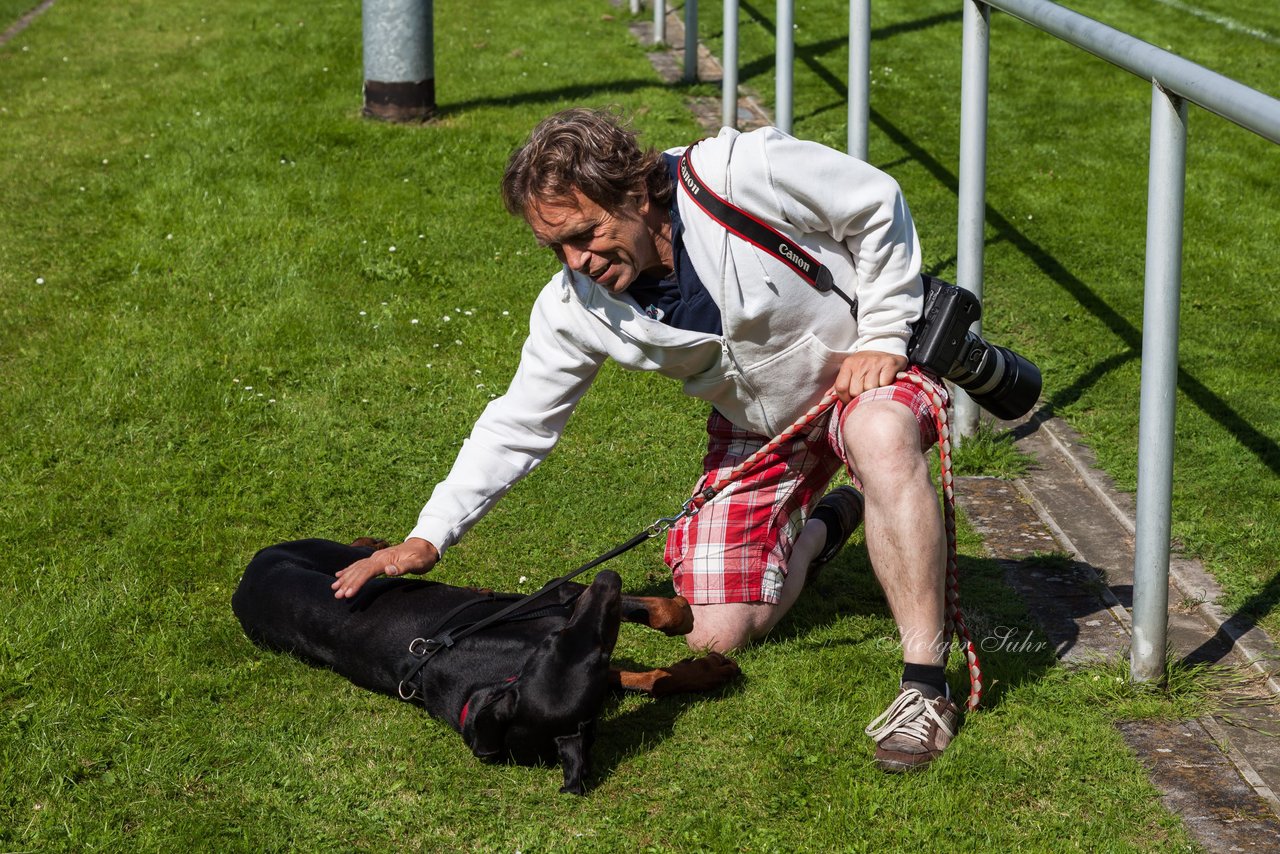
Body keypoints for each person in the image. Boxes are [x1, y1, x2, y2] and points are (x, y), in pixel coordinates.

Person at [331, 108, 958, 772]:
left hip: (867, 372)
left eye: (586, 233)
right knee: (719, 631)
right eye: (556, 247)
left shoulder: (738, 172)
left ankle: (925, 685)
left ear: (634, 193)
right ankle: (831, 523)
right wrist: (430, 535)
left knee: (879, 432)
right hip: (759, 425)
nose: (577, 260)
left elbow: (873, 201)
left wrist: (885, 333)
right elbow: (519, 424)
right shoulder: (574, 308)